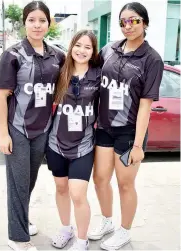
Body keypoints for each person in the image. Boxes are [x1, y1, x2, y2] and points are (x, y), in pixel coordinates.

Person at [88, 2, 164, 250]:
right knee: (99, 179)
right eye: (123, 21)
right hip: (104, 127)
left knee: (125, 184)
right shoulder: (109, 49)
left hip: (129, 132)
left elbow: (145, 105)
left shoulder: (151, 59)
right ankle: (108, 221)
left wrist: (139, 145)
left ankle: (125, 231)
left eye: (134, 20)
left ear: (145, 23)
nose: (128, 25)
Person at [0, 1, 65, 250]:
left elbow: (65, 85)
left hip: (43, 130)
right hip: (18, 130)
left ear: (49, 23)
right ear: (24, 23)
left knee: (29, 181)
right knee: (18, 182)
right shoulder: (12, 55)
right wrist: (4, 134)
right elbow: (2, 96)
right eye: (32, 20)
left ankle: (21, 220)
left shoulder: (57, 55)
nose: (37, 25)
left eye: (42, 20)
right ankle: (18, 238)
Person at [46, 30, 101, 251]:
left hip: (84, 145)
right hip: (56, 142)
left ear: (93, 51)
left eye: (88, 47)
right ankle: (65, 228)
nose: (82, 50)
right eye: (78, 45)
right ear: (71, 47)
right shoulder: (60, 72)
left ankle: (81, 239)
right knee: (61, 188)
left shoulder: (98, 75)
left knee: (77, 193)